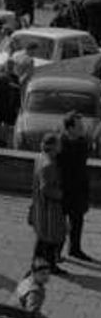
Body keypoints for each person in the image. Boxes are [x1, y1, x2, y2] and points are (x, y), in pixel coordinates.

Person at [57, 111, 94, 262]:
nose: (82, 129)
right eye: (79, 126)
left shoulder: (83, 142)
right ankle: (56, 253)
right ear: (69, 128)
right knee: (60, 223)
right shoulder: (60, 143)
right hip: (63, 188)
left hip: (79, 187)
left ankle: (75, 249)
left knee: (78, 220)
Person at [30, 132, 68, 275]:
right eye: (58, 144)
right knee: (51, 237)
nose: (60, 146)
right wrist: (61, 194)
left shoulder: (40, 157)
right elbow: (46, 188)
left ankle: (37, 261)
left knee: (42, 236)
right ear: (52, 147)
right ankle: (50, 265)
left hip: (41, 204)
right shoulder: (49, 164)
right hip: (49, 207)